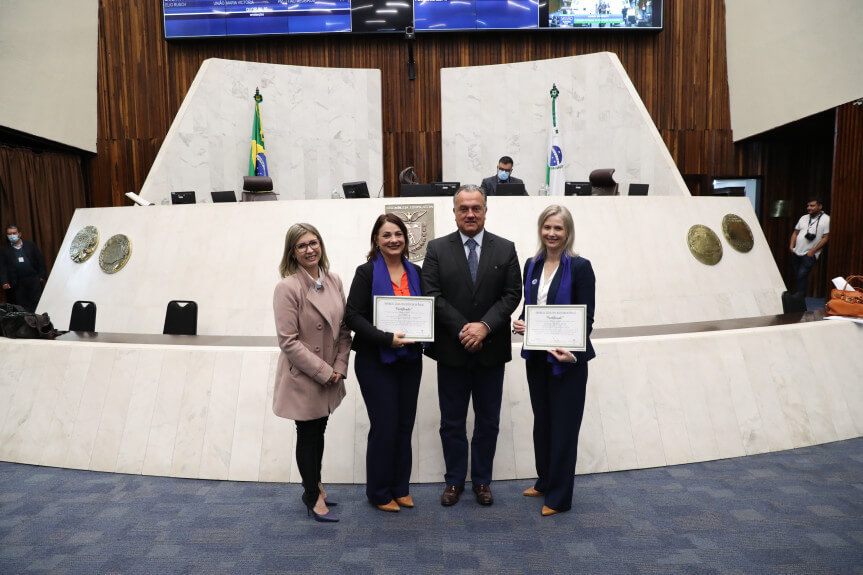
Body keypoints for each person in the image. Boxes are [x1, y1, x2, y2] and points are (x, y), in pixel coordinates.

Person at [422, 184, 521, 507]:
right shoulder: (436, 249)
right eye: (463, 208)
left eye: (475, 208)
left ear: (485, 210)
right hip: (451, 351)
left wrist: (485, 327)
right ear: (454, 212)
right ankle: (453, 481)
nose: (469, 214)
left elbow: (511, 295)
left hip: (491, 352)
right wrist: (466, 330)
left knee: (487, 422)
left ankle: (481, 481)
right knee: (451, 423)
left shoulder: (505, 249)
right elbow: (431, 294)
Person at [512, 204, 595, 517]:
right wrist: (520, 323)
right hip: (537, 359)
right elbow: (530, 308)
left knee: (563, 428)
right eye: (547, 227)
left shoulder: (581, 267)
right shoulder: (531, 265)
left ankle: (559, 497)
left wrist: (572, 352)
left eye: (558, 228)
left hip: (568, 362)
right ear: (540, 229)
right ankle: (545, 480)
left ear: (568, 232)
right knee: (543, 424)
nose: (552, 233)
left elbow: (586, 318)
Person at [272, 223, 352, 523]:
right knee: (307, 435)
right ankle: (311, 495)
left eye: (314, 243)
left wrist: (340, 368)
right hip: (306, 376)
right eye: (302, 245)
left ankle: (315, 484)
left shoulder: (334, 280)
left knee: (319, 433)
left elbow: (345, 330)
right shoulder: (287, 287)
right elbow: (288, 341)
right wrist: (324, 371)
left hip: (330, 374)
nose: (310, 249)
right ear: (292, 252)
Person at [345, 214, 424, 513]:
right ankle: (378, 491)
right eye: (386, 235)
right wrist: (385, 338)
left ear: (406, 239)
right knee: (385, 425)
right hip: (375, 360)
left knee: (405, 426)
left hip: (410, 360)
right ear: (376, 240)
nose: (393, 240)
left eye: (398, 234)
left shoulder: (415, 272)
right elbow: (352, 316)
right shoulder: (365, 273)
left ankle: (400, 487)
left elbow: (424, 312)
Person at [1, 224, 47, 313]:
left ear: (19, 234)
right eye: (9, 234)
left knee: (37, 303)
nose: (12, 236)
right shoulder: (4, 249)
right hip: (17, 283)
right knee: (22, 306)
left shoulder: (30, 245)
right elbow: (2, 267)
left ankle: (39, 323)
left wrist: (42, 275)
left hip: (34, 280)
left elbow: (40, 261)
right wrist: (4, 281)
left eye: (14, 233)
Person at [789, 198, 830, 296]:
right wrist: (791, 246)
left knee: (802, 275)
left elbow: (826, 237)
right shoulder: (804, 218)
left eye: (812, 206)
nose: (809, 208)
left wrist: (813, 251)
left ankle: (800, 299)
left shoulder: (826, 219)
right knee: (798, 276)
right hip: (796, 252)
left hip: (809, 254)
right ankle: (799, 298)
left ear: (820, 207)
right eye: (808, 206)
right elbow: (795, 233)